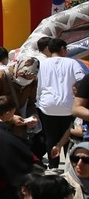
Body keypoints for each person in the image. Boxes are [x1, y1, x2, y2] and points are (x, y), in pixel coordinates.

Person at [36, 37, 82, 166]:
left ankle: (53, 166)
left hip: (47, 105)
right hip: (67, 105)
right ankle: (70, 165)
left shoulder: (42, 64)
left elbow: (37, 85)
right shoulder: (72, 63)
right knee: (69, 137)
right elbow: (81, 80)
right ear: (62, 49)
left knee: (50, 137)